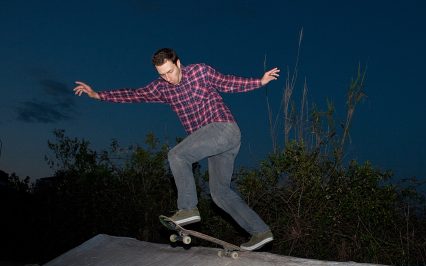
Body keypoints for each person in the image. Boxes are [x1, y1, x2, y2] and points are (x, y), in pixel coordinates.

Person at [74, 48, 279, 251]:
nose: (168, 78)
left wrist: (259, 82)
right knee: (219, 193)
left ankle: (188, 207)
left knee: (177, 155)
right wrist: (98, 95)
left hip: (224, 129)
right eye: (162, 74)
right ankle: (260, 231)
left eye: (170, 71)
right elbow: (135, 94)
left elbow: (227, 82)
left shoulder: (200, 71)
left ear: (179, 63)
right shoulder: (162, 87)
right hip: (215, 145)